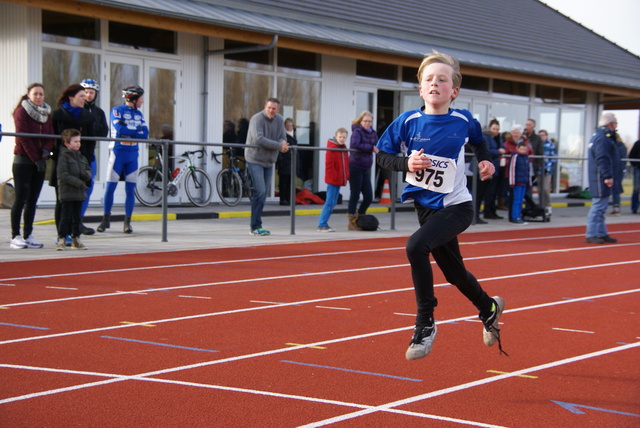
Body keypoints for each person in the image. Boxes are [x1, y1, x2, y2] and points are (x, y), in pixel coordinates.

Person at [376, 50, 505, 360]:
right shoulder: (407, 121)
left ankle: (425, 323)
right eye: (429, 79)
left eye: (442, 80)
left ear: (454, 91)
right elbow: (382, 156)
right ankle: (489, 307)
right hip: (426, 207)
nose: (435, 83)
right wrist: (407, 162)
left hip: (457, 206)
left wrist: (486, 160)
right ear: (420, 88)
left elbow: (480, 142)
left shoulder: (464, 120)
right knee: (454, 273)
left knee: (415, 247)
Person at [97, 85, 149, 234]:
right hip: (117, 153)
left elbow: (145, 134)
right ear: (133, 99)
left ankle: (127, 222)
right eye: (141, 98)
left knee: (130, 190)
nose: (142, 101)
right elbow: (120, 131)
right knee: (110, 188)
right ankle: (105, 220)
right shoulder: (116, 111)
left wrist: (130, 131)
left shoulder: (139, 114)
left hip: (133, 154)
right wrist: (134, 131)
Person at [10, 83, 55, 249]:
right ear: (28, 95)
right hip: (23, 160)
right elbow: (23, 137)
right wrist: (35, 158)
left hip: (39, 160)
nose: (38, 97)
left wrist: (45, 153)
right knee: (21, 198)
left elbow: (50, 135)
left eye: (41, 94)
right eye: (35, 94)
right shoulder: (21, 111)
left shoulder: (46, 113)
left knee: (32, 200)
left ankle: (28, 234)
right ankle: (15, 235)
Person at [51, 84, 96, 244]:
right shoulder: (57, 115)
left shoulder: (88, 116)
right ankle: (62, 235)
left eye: (85, 96)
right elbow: (53, 138)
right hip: (63, 161)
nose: (85, 99)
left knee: (77, 201)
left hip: (80, 162)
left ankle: (75, 234)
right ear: (71, 98)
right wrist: (56, 155)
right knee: (62, 200)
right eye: (81, 96)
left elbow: (91, 141)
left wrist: (86, 160)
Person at [244, 98, 289, 236]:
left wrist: (283, 144)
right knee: (261, 191)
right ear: (265, 106)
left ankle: (257, 224)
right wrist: (278, 145)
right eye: (269, 107)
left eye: (274, 108)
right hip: (255, 159)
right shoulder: (257, 119)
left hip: (269, 161)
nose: (271, 110)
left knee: (263, 194)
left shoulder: (280, 120)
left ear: (278, 109)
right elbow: (259, 138)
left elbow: (282, 136)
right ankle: (255, 226)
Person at [79, 78, 109, 235]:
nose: (88, 95)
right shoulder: (76, 109)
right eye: (85, 92)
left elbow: (104, 132)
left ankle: (80, 220)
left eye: (91, 92)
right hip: (76, 154)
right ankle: (72, 222)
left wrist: (93, 129)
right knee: (75, 188)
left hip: (90, 154)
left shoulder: (99, 112)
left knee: (88, 187)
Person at [585, 113, 619, 244]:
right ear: (610, 124)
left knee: (602, 206)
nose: (616, 127)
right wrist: (607, 176)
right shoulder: (602, 138)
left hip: (600, 176)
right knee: (598, 205)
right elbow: (602, 158)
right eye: (615, 124)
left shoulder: (600, 137)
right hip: (600, 177)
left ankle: (601, 232)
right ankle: (592, 233)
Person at [56, 129, 92, 251]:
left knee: (77, 218)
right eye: (75, 141)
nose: (78, 144)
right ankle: (61, 239)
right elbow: (63, 175)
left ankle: (76, 239)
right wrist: (79, 183)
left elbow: (88, 169)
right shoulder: (63, 157)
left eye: (79, 141)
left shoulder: (81, 156)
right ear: (67, 143)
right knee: (66, 217)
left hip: (79, 194)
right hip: (67, 192)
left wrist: (86, 175)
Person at [347, 110, 378, 230]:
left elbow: (378, 144)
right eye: (365, 121)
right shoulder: (357, 131)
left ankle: (360, 216)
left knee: (369, 196)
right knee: (355, 193)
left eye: (370, 121)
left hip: (366, 166)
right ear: (360, 121)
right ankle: (351, 220)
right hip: (356, 165)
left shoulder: (373, 133)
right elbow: (355, 145)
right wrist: (371, 148)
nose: (367, 123)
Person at [317, 128, 350, 232]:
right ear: (336, 137)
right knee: (330, 202)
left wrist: (346, 175)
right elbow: (329, 165)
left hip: (338, 178)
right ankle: (322, 224)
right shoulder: (332, 148)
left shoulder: (342, 148)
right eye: (340, 137)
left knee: (333, 201)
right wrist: (334, 176)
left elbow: (345, 165)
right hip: (334, 179)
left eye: (344, 137)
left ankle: (323, 223)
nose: (342, 139)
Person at [482, 119, 504, 220]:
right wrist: (498, 151)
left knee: (494, 191)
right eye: (494, 129)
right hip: (490, 167)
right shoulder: (486, 137)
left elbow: (502, 148)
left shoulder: (498, 138)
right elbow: (487, 150)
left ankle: (492, 211)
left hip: (498, 167)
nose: (496, 131)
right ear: (490, 128)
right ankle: (487, 211)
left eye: (498, 129)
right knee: (488, 192)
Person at [509, 141, 531, 225]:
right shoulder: (515, 156)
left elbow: (528, 171)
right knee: (516, 201)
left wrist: (529, 183)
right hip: (517, 183)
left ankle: (519, 216)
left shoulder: (526, 157)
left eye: (524, 149)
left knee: (521, 201)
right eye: (521, 149)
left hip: (524, 182)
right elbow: (512, 169)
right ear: (517, 148)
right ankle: (515, 217)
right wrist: (512, 182)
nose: (523, 150)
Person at [276, 118, 297, 206]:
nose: (289, 127)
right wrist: (280, 162)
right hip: (284, 162)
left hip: (292, 162)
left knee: (290, 182)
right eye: (287, 125)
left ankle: (289, 199)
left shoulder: (294, 136)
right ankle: (283, 199)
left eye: (290, 125)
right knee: (283, 182)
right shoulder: (282, 136)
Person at [524, 118, 543, 206]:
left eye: (529, 125)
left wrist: (537, 167)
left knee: (529, 188)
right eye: (526, 125)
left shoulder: (537, 139)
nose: (527, 127)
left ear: (534, 126)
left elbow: (540, 154)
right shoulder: (523, 136)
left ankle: (529, 207)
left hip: (532, 167)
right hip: (521, 165)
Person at [538, 130, 557, 215]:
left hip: (547, 170)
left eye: (543, 135)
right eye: (540, 135)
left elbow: (553, 158)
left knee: (545, 189)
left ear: (546, 136)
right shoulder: (538, 145)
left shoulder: (551, 145)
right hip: (538, 170)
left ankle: (548, 206)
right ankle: (541, 206)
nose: (541, 137)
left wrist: (547, 167)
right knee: (539, 189)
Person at [608, 134, 627, 216]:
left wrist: (620, 170)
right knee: (614, 189)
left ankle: (616, 208)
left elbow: (622, 160)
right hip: (614, 170)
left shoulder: (620, 147)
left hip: (617, 171)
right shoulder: (617, 146)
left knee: (616, 189)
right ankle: (615, 207)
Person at [630, 139, 640, 214]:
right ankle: (634, 207)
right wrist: (635, 165)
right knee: (636, 189)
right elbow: (631, 155)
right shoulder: (637, 143)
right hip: (638, 168)